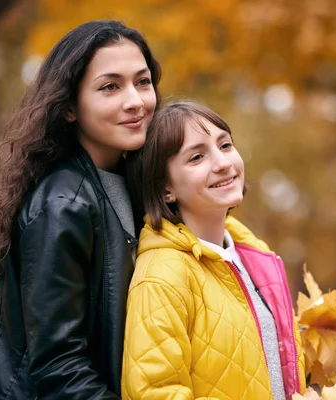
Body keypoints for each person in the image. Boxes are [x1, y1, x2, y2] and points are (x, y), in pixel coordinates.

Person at [0, 20, 161, 399]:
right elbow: (59, 365)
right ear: (69, 107)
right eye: (110, 87)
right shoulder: (62, 205)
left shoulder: (133, 186)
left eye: (142, 81)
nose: (135, 100)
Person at [122, 101, 306, 399]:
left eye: (225, 145)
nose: (222, 163)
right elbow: (157, 393)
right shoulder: (161, 277)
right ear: (165, 188)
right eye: (197, 157)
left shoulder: (254, 256)